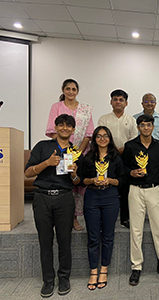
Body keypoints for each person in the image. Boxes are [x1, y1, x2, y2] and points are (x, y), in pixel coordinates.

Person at [25, 114, 82, 298]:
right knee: (45, 240)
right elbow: (27, 172)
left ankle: (64, 278)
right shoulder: (43, 146)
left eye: (68, 126)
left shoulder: (75, 152)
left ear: (73, 130)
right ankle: (48, 280)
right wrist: (47, 163)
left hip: (65, 198)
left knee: (65, 240)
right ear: (56, 127)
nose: (65, 128)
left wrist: (74, 173)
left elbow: (76, 182)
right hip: (42, 198)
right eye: (61, 125)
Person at [122, 114, 159, 286]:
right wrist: (131, 173)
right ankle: (136, 267)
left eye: (149, 125)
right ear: (138, 127)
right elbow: (123, 168)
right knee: (136, 231)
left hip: (154, 190)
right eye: (142, 125)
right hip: (135, 191)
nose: (146, 128)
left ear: (153, 127)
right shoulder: (130, 146)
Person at [46, 78, 94, 231]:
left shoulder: (85, 109)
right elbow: (52, 130)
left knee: (78, 185)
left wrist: (77, 152)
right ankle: (61, 217)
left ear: (77, 91)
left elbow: (88, 133)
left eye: (74, 89)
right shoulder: (56, 107)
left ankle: (74, 218)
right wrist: (65, 149)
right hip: (61, 152)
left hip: (81, 152)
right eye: (68, 89)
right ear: (63, 90)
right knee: (63, 183)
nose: (71, 92)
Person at [82, 126, 125, 291]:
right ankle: (93, 270)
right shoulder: (88, 158)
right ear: (94, 139)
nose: (102, 139)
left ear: (110, 138)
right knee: (93, 236)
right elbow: (82, 181)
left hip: (110, 197)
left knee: (107, 236)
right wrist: (93, 180)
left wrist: (111, 181)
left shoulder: (116, 158)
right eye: (98, 136)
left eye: (105, 136)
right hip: (92, 197)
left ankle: (104, 269)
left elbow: (122, 180)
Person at [98, 89, 138, 229]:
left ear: (126, 103)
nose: (118, 102)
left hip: (126, 157)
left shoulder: (131, 120)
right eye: (115, 99)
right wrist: (113, 150)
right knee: (108, 186)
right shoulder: (104, 119)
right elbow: (101, 137)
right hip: (107, 157)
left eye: (121, 100)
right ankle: (107, 217)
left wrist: (122, 150)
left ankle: (125, 218)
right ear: (111, 102)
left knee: (125, 188)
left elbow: (133, 140)